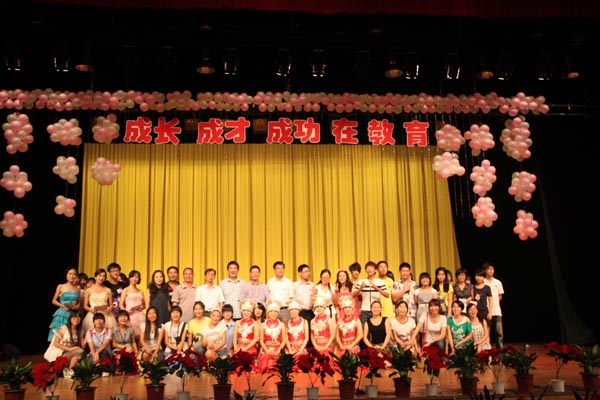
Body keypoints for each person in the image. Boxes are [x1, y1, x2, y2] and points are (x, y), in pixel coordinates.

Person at [48, 267, 81, 342]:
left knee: (70, 334)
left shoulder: (78, 288)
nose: (72, 276)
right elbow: (54, 301)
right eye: (70, 274)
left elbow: (79, 301)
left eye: (74, 274)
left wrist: (77, 306)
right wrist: (63, 305)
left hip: (73, 314)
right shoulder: (61, 286)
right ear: (66, 275)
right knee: (58, 334)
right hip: (62, 313)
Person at [81, 268, 117, 333]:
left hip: (106, 315)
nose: (101, 278)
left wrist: (109, 309)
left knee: (107, 334)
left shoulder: (108, 290)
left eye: (103, 276)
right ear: (95, 277)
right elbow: (85, 306)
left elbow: (111, 305)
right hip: (93, 314)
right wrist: (91, 310)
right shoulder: (88, 290)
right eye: (100, 276)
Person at [257, 300, 286, 371]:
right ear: (268, 313)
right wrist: (267, 351)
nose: (273, 313)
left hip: (278, 349)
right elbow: (261, 341)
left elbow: (284, 341)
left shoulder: (282, 325)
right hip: (266, 349)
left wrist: (278, 350)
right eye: (271, 311)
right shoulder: (263, 325)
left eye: (275, 311)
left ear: (278, 313)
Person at [483, 261, 504, 349]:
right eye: (488, 269)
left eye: (492, 269)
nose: (491, 271)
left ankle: (500, 350)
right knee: (486, 332)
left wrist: (495, 303)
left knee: (499, 332)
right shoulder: (483, 282)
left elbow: (500, 296)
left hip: (497, 311)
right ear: (485, 270)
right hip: (486, 311)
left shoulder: (498, 282)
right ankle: (486, 350)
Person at [119, 269, 146, 337]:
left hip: (140, 315)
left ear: (139, 279)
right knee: (130, 335)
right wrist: (126, 311)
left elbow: (144, 305)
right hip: (129, 315)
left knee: (141, 335)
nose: (134, 278)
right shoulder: (125, 290)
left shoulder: (141, 291)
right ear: (129, 278)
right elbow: (121, 305)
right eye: (132, 277)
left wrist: (141, 307)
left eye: (136, 277)